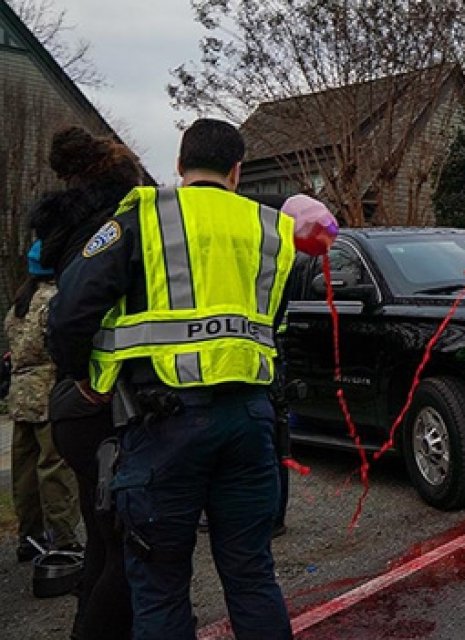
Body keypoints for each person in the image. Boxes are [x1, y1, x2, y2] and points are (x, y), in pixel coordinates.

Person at [47, 118, 294, 639]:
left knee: (159, 585)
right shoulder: (272, 228)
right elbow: (275, 324)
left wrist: (86, 379)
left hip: (163, 425)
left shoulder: (142, 214)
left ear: (180, 166)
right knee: (252, 576)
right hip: (250, 420)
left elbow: (70, 312)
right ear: (237, 170)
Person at [32, 125, 143, 638]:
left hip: (78, 399)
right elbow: (73, 316)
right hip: (105, 399)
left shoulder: (65, 224)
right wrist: (87, 381)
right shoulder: (120, 221)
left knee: (102, 533)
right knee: (126, 543)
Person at [5, 240, 80, 562]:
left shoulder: (20, 303)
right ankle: (63, 538)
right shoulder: (55, 300)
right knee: (55, 467)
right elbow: (61, 343)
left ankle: (29, 535)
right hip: (49, 391)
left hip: (20, 395)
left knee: (24, 470)